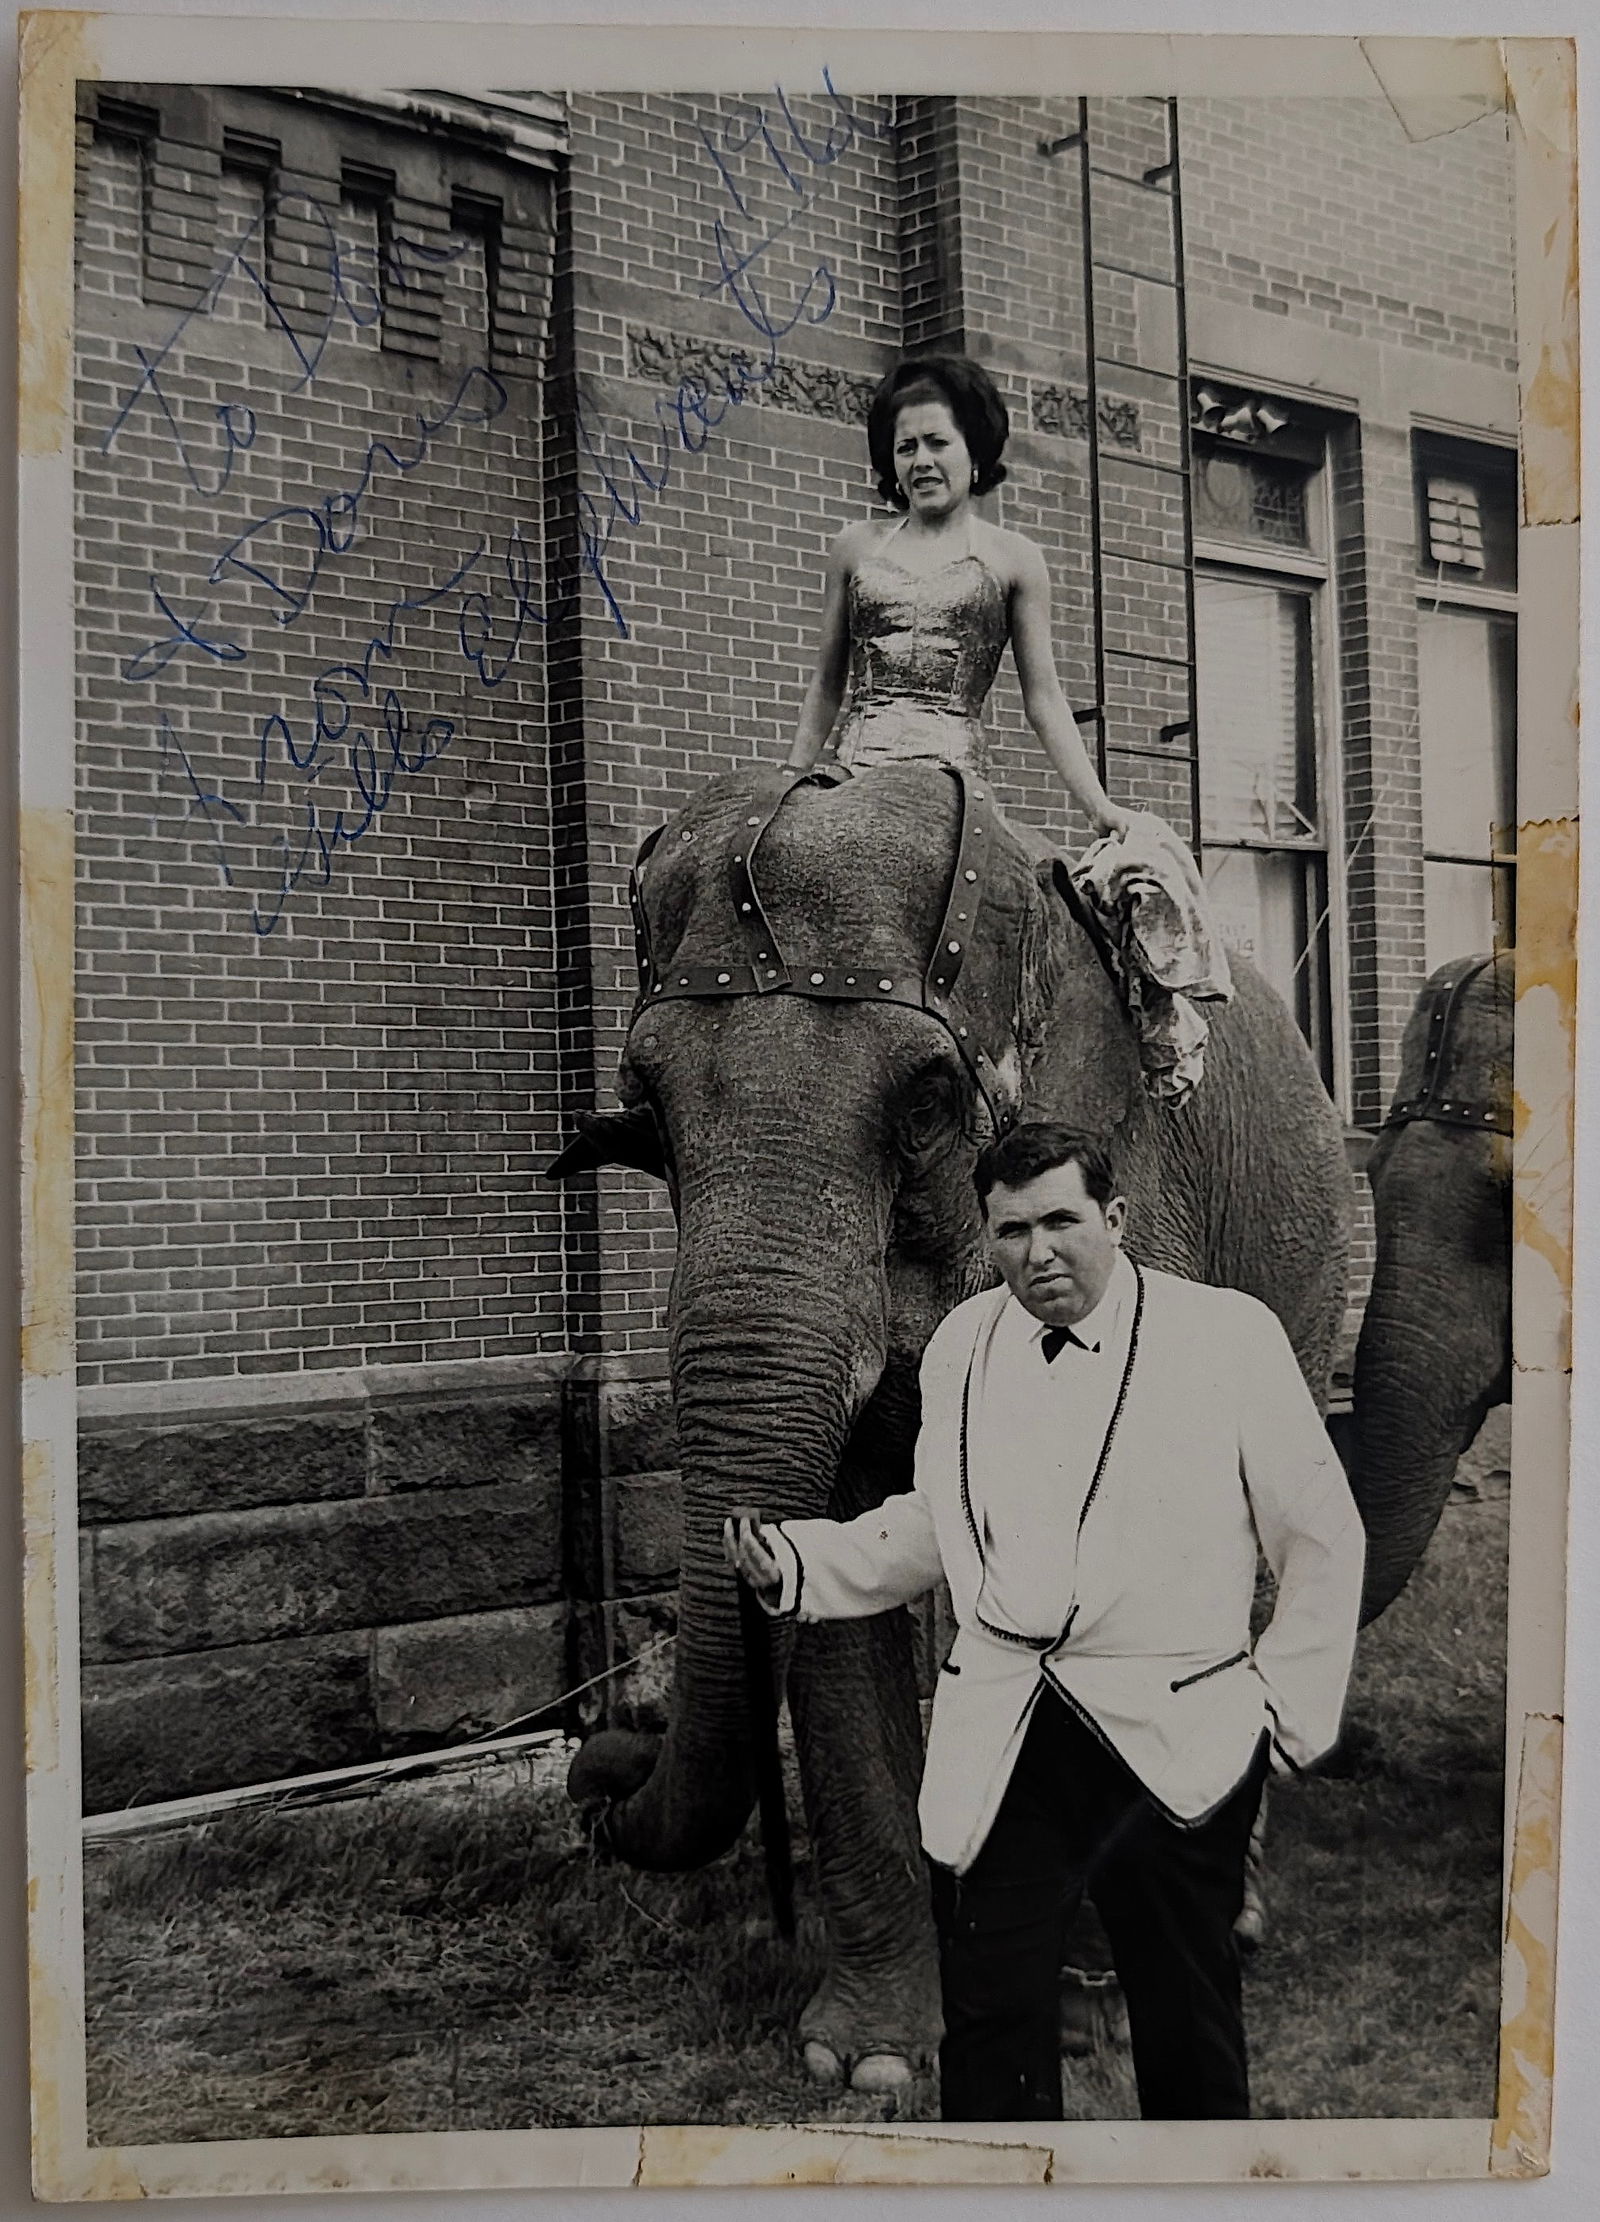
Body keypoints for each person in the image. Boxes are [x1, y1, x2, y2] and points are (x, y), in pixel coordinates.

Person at [725, 1121, 1365, 2123]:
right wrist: (804, 1561)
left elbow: (1319, 1533)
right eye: (1012, 1229)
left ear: (1113, 1218)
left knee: (1185, 2020)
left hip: (1176, 1735)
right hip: (1006, 1730)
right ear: (988, 1237)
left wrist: (1279, 1713)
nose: (1039, 1252)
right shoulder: (961, 1345)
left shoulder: (1224, 1335)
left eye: (1063, 1220)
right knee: (988, 2013)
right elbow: (936, 1523)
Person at [783, 354, 1132, 838]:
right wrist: (788, 781)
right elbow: (826, 684)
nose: (921, 460)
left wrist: (1098, 808)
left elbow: (1045, 699)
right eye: (906, 447)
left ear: (974, 453)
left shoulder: (1016, 559)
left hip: (955, 789)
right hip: (854, 775)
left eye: (937, 442)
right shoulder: (854, 547)